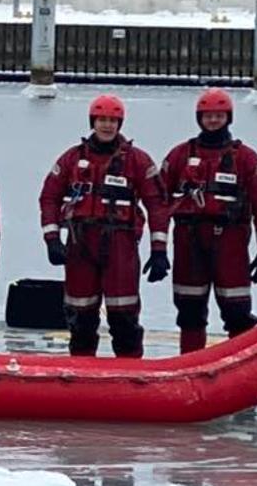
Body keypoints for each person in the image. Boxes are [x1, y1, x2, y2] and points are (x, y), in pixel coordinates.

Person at [38, 95, 170, 358]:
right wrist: (52, 239)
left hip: (119, 243)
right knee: (80, 314)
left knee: (123, 314)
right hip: (80, 242)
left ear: (119, 124)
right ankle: (82, 375)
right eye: (102, 120)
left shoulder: (137, 161)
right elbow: (49, 197)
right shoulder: (72, 159)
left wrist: (159, 250)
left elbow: (157, 205)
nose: (107, 126)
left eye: (112, 121)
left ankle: (130, 375)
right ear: (93, 122)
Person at [157, 88, 257, 354]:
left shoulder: (245, 158)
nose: (213, 121)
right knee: (190, 311)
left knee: (237, 312)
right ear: (199, 118)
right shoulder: (179, 156)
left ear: (228, 118)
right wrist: (158, 251)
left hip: (230, 243)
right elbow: (159, 204)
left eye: (219, 116)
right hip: (189, 242)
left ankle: (241, 372)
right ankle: (189, 368)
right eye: (208, 116)